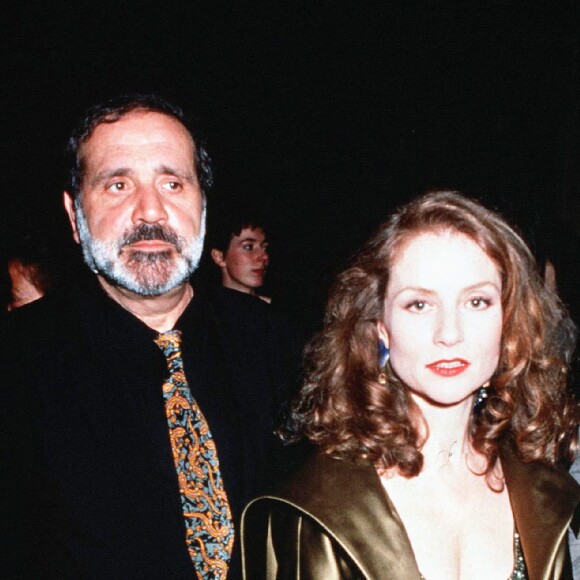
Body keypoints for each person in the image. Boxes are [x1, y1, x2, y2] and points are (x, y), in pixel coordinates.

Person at [0, 94, 294, 579]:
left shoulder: (279, 347)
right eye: (118, 185)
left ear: (202, 204)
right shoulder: (16, 366)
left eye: (172, 183)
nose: (150, 211)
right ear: (75, 216)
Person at [242, 191, 579, 579]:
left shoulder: (544, 497)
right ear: (381, 327)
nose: (450, 334)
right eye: (419, 304)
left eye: (477, 302)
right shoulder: (315, 514)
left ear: (508, 322)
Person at [209, 212, 271, 303]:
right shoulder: (204, 313)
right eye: (248, 247)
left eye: (264, 247)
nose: (265, 256)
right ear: (219, 257)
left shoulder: (280, 311)